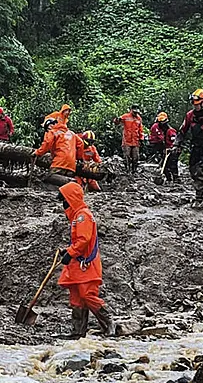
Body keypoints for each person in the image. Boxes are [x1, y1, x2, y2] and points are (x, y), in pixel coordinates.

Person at [56, 182, 115, 338]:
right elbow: (79, 241)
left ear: (71, 199)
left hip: (85, 263)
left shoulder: (83, 216)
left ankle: (109, 324)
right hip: (78, 263)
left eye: (65, 199)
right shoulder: (77, 216)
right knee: (76, 297)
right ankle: (77, 332)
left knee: (88, 295)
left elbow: (84, 240)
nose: (63, 203)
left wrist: (71, 252)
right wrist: (67, 251)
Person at [113, 105, 144, 174]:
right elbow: (117, 123)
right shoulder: (125, 116)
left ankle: (134, 170)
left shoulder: (139, 118)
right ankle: (127, 170)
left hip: (135, 141)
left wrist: (141, 138)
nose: (135, 113)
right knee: (127, 156)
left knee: (136, 157)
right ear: (131, 110)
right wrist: (117, 119)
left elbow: (140, 130)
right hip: (127, 140)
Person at [154, 113, 179, 182]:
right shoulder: (164, 131)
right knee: (164, 165)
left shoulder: (170, 131)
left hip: (173, 150)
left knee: (173, 164)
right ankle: (168, 178)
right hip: (167, 149)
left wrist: (172, 148)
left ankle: (176, 178)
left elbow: (174, 141)